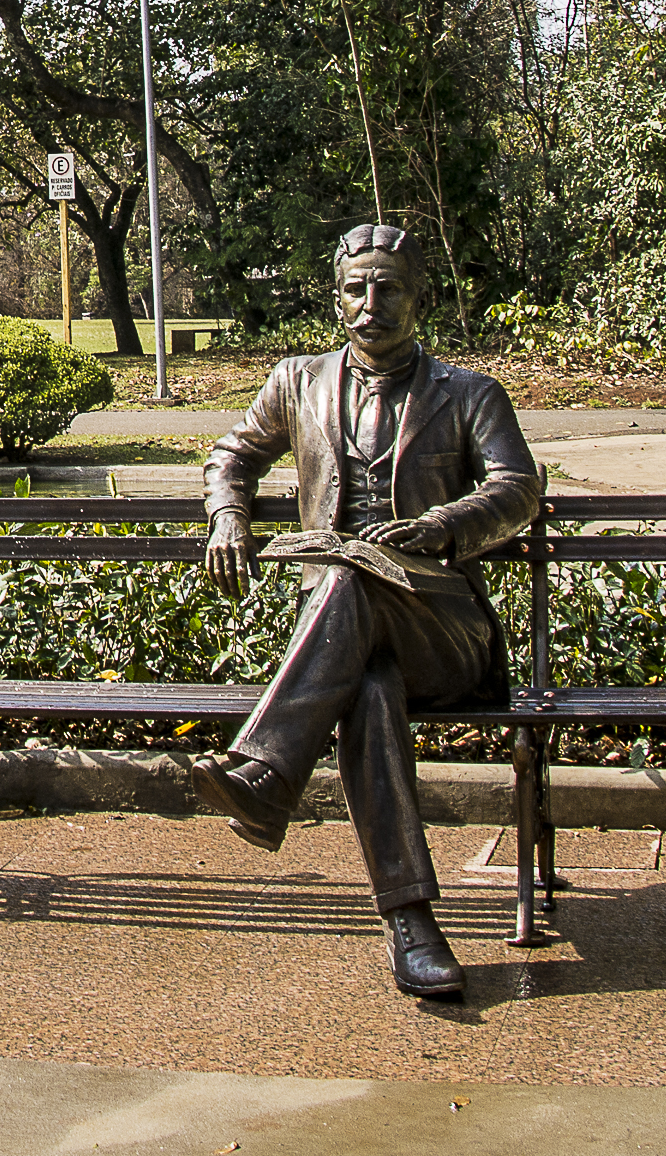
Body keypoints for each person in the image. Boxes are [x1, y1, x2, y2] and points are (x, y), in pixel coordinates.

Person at [190, 223, 541, 1000]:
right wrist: (228, 517)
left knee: (351, 582)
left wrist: (444, 524)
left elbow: (518, 487)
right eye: (356, 288)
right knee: (370, 689)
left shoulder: (470, 393)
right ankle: (411, 922)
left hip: (444, 632)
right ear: (337, 297)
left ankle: (268, 772)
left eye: (388, 288)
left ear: (420, 297)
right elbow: (232, 455)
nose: (370, 303)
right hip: (348, 647)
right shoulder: (297, 381)